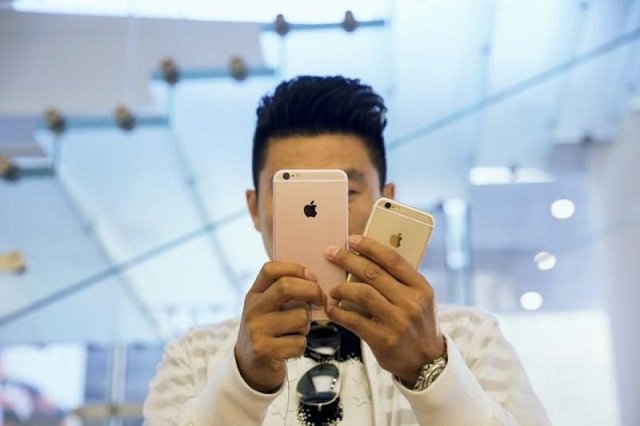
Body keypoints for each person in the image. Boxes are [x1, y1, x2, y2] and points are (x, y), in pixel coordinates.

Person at [143, 76, 550, 425]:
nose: (320, 212)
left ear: (385, 199)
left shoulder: (467, 338)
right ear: (255, 208)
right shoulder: (196, 356)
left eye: (346, 191)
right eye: (293, 191)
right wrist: (242, 381)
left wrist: (431, 370)